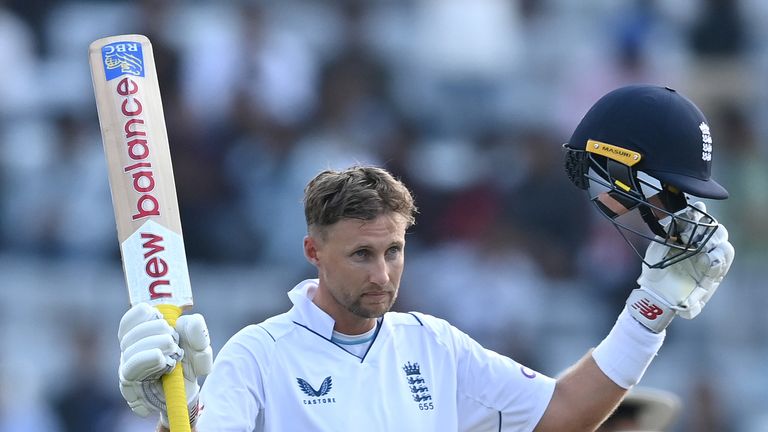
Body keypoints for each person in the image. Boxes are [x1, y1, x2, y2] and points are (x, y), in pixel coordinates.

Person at [116, 84, 734, 431]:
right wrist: (175, 417)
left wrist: (649, 311)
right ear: (313, 252)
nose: (382, 275)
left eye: (393, 251)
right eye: (361, 254)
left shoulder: (435, 346)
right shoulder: (259, 352)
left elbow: (566, 416)